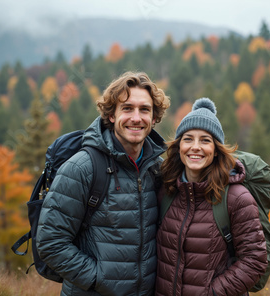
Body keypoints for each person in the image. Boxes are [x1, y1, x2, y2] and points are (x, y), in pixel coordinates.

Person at [36, 71, 170, 296]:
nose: (136, 118)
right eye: (127, 108)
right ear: (111, 115)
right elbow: (51, 242)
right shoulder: (82, 168)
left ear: (154, 118)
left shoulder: (157, 169)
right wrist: (99, 279)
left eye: (144, 109)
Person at [156, 98, 268, 296]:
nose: (195, 147)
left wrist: (213, 293)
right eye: (188, 138)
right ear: (179, 146)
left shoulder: (237, 198)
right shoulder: (167, 192)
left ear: (216, 150)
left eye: (205, 140)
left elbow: (255, 259)